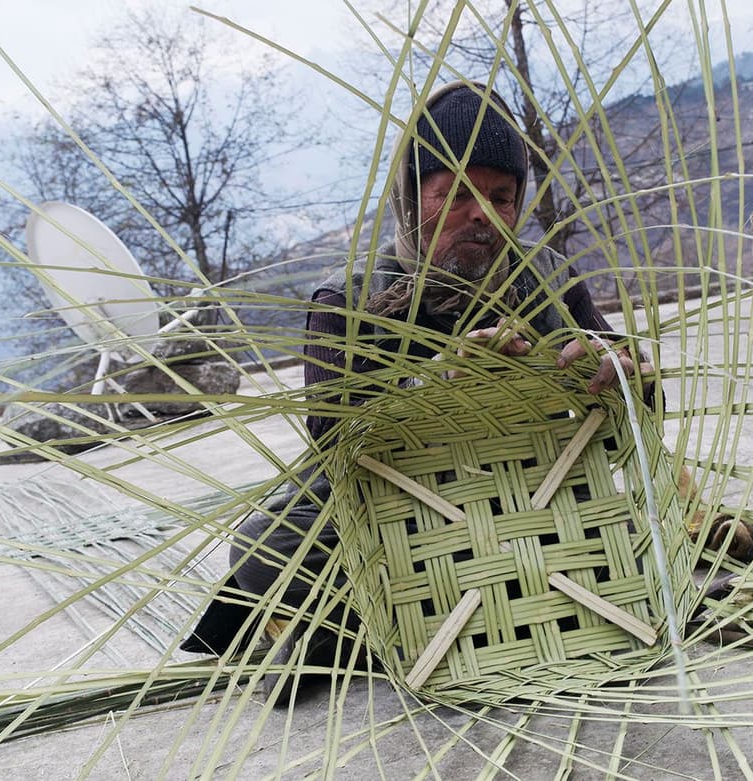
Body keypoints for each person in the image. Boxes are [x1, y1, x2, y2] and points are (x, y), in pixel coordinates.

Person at [181, 80, 649, 698]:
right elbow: (333, 442)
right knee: (270, 543)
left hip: (533, 498)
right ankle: (385, 613)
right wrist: (437, 393)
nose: (483, 214)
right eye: (456, 193)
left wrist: (624, 369)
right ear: (411, 199)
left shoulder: (547, 281)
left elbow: (631, 414)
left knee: (644, 513)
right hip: (400, 510)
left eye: (502, 197)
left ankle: (366, 625)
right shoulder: (348, 300)